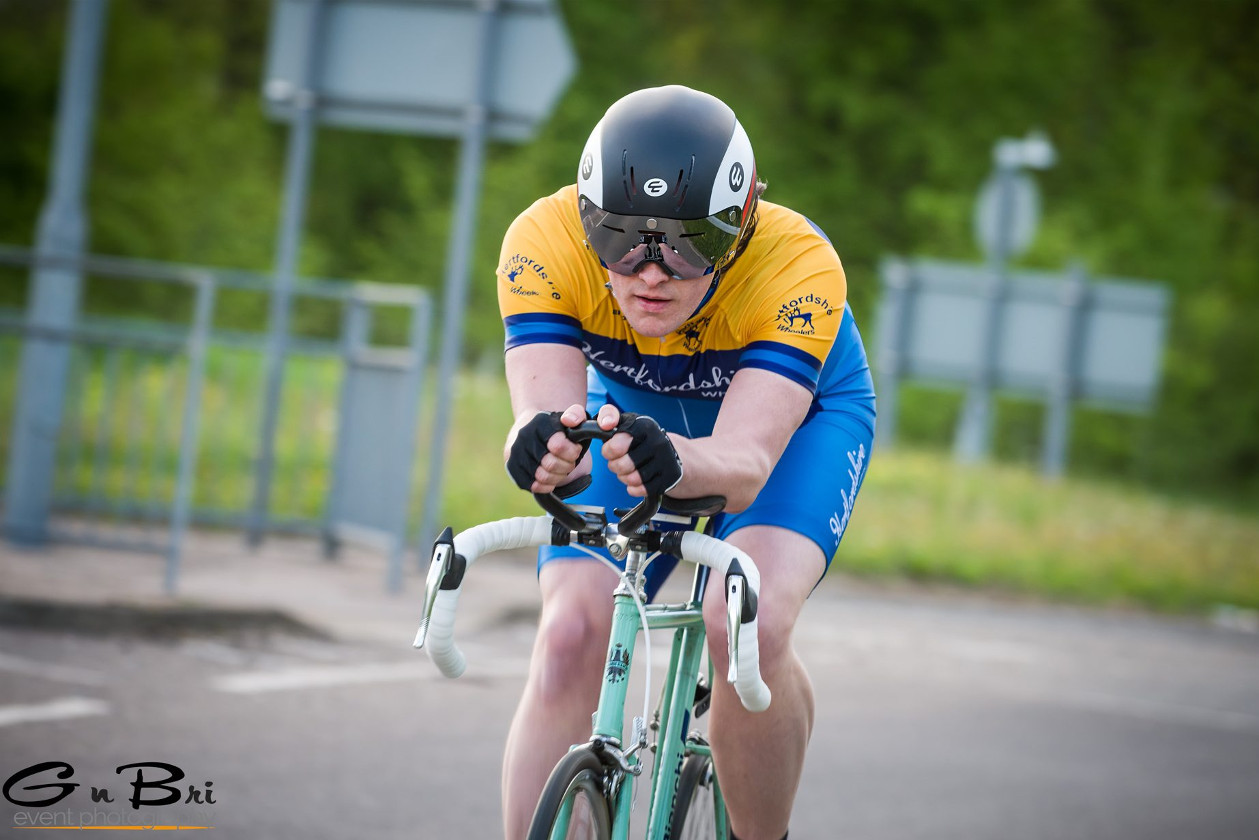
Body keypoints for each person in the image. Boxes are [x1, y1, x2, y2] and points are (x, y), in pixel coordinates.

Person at [497, 84, 876, 840]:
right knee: (569, 634)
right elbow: (541, 429)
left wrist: (671, 460)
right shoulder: (542, 241)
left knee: (744, 625)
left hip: (792, 425)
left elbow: (743, 466)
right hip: (633, 415)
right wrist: (543, 454)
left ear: (739, 228)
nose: (650, 273)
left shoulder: (798, 264)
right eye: (620, 239)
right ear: (586, 220)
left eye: (687, 245)